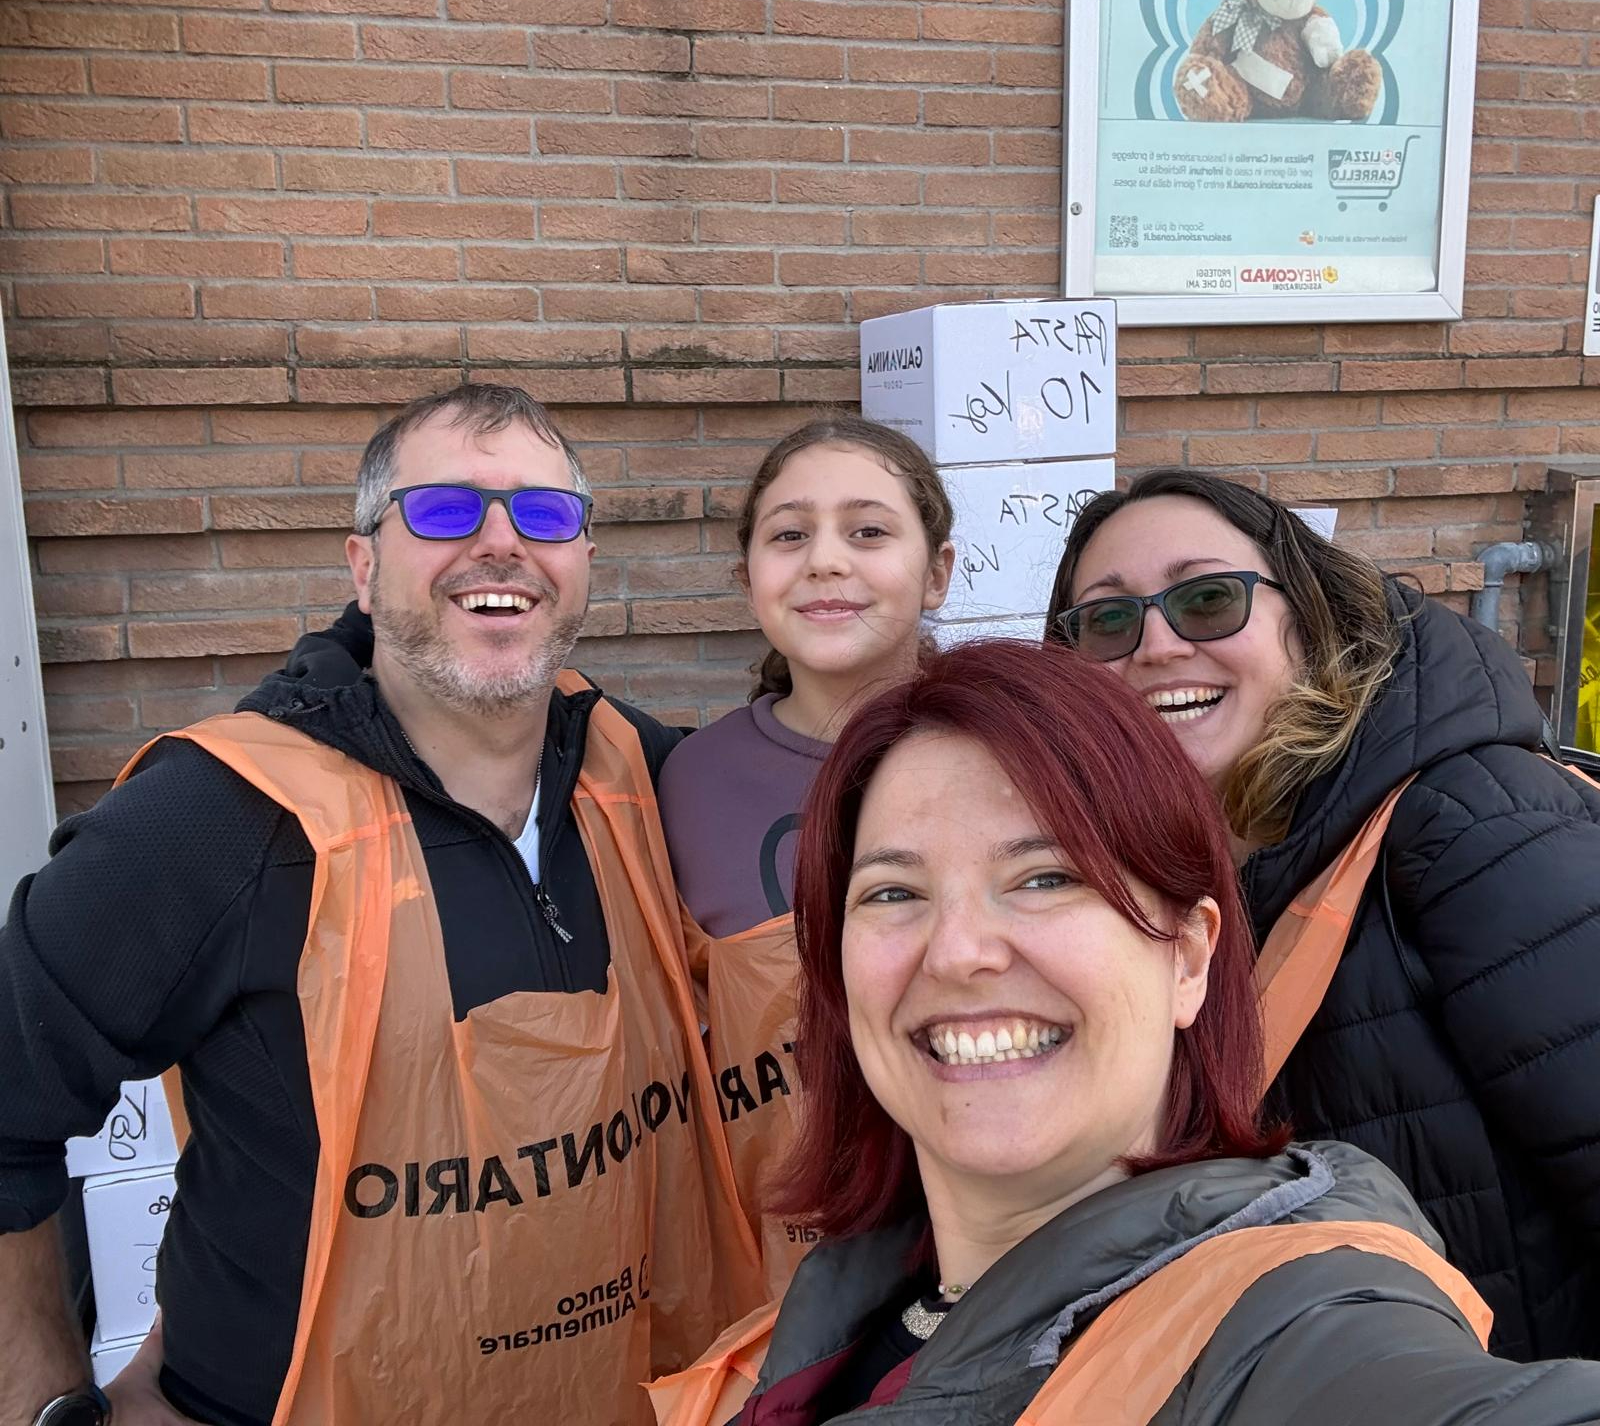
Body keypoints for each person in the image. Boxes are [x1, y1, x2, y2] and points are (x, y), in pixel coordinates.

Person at [0, 384, 761, 1426]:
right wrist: (48, 1403)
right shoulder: (220, 819)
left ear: (585, 557)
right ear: (362, 566)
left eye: (544, 514)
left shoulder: (640, 771)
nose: (502, 543)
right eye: (445, 510)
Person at [647, 641, 1600, 1426]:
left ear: (1188, 957)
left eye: (1045, 878)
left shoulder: (1282, 1324)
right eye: (894, 893)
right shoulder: (824, 1319)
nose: (959, 952)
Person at [1044, 468, 1600, 1362]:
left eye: (1208, 599)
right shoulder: (1138, 876)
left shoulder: (1469, 824)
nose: (1155, 647)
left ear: (1306, 616)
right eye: (1109, 620)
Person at [657, 418, 954, 1292]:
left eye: (868, 531)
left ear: (937, 572)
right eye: (789, 536)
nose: (825, 561)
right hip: (785, 1253)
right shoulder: (689, 781)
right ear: (748, 577)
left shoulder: (1008, 753)